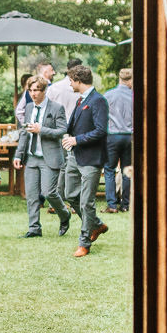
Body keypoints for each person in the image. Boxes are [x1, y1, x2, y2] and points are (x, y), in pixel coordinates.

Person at [12, 76, 72, 237]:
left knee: (49, 192)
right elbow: (25, 132)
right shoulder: (29, 108)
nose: (33, 93)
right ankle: (34, 228)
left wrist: (42, 130)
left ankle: (65, 214)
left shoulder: (56, 108)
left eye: (37, 90)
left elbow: (62, 131)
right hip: (31, 157)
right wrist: (18, 155)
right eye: (30, 90)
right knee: (31, 195)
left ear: (44, 90)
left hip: (49, 157)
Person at [60, 64, 110, 257]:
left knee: (87, 202)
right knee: (70, 194)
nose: (70, 84)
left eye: (71, 80)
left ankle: (84, 242)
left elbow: (100, 130)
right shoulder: (81, 100)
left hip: (91, 158)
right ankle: (96, 225)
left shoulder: (98, 101)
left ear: (79, 80)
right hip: (75, 156)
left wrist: (76, 140)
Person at [102, 68, 134, 213]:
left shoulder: (108, 95)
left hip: (112, 136)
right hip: (129, 136)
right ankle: (126, 204)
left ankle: (112, 205)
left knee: (109, 169)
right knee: (127, 170)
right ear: (130, 80)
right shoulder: (135, 95)